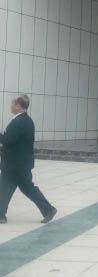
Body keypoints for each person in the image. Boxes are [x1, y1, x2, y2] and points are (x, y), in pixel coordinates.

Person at [0, 94, 57, 224]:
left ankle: (48, 210)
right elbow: (15, 142)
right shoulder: (26, 120)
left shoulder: (18, 122)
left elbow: (8, 140)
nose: (10, 105)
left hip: (15, 165)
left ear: (18, 106)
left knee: (7, 188)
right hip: (20, 163)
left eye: (12, 103)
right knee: (16, 188)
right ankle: (48, 210)